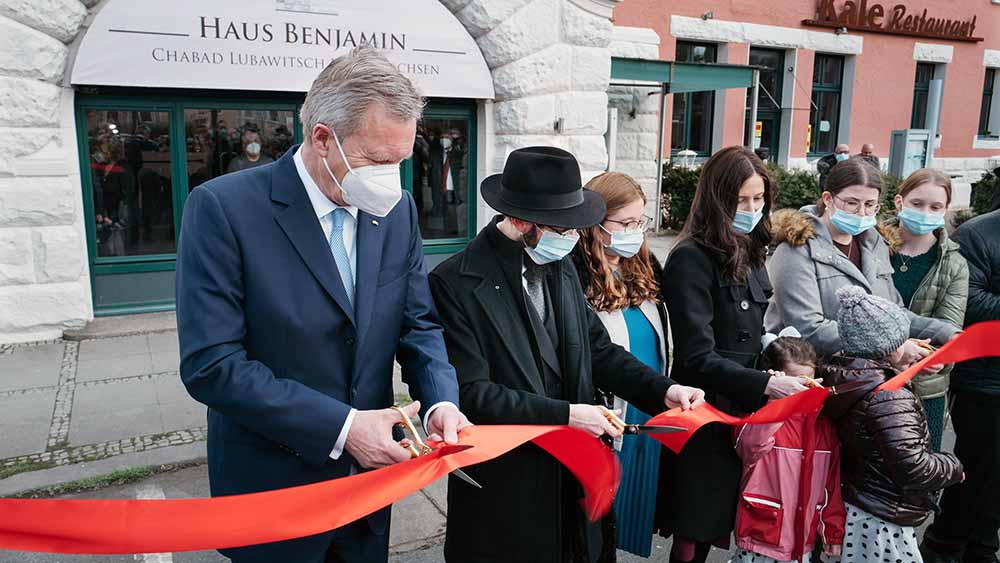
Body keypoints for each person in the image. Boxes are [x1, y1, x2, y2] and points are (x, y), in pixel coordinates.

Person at [175, 47, 471, 563]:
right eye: (377, 161)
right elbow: (211, 365)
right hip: (274, 492)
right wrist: (343, 428)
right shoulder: (223, 209)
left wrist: (442, 399)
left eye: (401, 162)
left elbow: (418, 322)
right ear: (321, 138)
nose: (393, 181)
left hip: (368, 493)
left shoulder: (396, 212)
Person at [429, 146, 705, 563]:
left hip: (573, 485)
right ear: (521, 221)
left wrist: (664, 391)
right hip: (508, 492)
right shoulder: (455, 282)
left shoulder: (559, 266)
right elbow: (471, 393)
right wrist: (567, 414)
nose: (574, 238)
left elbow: (597, 350)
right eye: (564, 229)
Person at [661, 146, 811, 563]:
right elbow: (695, 356)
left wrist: (776, 348)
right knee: (694, 530)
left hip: (748, 410)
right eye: (740, 199)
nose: (750, 208)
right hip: (708, 412)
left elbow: (751, 329)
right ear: (717, 198)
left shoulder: (753, 248)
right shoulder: (691, 258)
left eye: (758, 199)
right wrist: (767, 382)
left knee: (730, 522)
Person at [821, 286, 964, 563]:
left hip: (860, 503)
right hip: (886, 512)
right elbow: (914, 467)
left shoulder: (849, 378)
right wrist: (952, 466)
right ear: (885, 348)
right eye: (901, 340)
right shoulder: (890, 395)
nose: (908, 345)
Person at [766, 158, 960, 359]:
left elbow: (894, 314)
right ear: (828, 199)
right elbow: (808, 327)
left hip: (865, 373)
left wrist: (945, 333)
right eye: (852, 203)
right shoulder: (796, 248)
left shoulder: (876, 244)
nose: (861, 213)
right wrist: (891, 347)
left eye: (870, 204)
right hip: (810, 371)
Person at [570, 171, 667, 558]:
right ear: (595, 224)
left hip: (647, 403)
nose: (635, 232)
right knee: (601, 521)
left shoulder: (643, 266)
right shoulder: (576, 275)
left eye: (640, 222)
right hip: (609, 412)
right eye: (625, 223)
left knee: (633, 510)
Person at [921, 208, 1000, 563]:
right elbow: (970, 301)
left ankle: (983, 548)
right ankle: (943, 545)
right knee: (978, 469)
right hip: (984, 380)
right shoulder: (978, 234)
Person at [732, 329, 845, 563]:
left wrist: (832, 529)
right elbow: (750, 447)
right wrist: (775, 400)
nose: (801, 391)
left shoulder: (823, 425)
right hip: (761, 539)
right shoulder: (759, 416)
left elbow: (831, 484)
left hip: (802, 542)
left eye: (809, 383)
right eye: (794, 383)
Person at [880, 168, 968, 452]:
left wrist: (936, 357)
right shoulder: (873, 244)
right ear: (899, 202)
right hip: (871, 382)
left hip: (924, 390)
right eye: (917, 204)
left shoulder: (953, 264)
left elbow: (949, 327)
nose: (925, 212)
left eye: (935, 207)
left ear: (945, 210)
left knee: (918, 476)